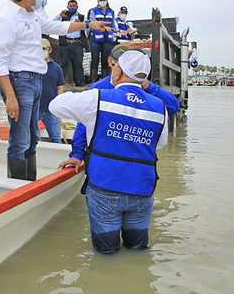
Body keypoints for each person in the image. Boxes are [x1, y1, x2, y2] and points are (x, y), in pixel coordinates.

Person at [49, 49, 168, 254]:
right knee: (138, 249)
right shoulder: (160, 106)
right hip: (142, 188)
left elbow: (55, 105)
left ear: (118, 72)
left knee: (106, 253)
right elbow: (159, 144)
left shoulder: (98, 98)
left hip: (105, 186)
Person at [0, 0, 107, 181]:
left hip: (35, 81)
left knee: (33, 136)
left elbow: (57, 27)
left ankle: (29, 183)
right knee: (20, 139)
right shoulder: (6, 19)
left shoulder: (31, 15)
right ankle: (17, 186)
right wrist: (10, 97)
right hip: (19, 82)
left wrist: (89, 25)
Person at [59, 44, 180, 176]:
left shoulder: (144, 88)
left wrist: (148, 86)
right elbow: (83, 123)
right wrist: (77, 154)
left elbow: (173, 106)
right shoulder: (98, 89)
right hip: (104, 160)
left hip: (136, 161)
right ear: (111, 62)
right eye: (121, 64)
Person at [87, 0, 119, 82]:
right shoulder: (93, 11)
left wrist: (119, 31)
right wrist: (104, 28)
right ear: (98, 1)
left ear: (107, 0)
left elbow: (113, 25)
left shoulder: (111, 12)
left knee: (105, 60)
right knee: (95, 59)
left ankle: (104, 80)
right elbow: (93, 23)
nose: (102, 1)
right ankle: (93, 81)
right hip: (95, 39)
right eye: (101, 0)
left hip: (107, 39)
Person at [55, 0, 86, 86]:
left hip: (77, 43)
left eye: (74, 6)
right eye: (70, 6)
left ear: (77, 7)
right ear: (67, 7)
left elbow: (88, 29)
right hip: (65, 43)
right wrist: (60, 15)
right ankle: (60, 84)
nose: (72, 7)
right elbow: (53, 23)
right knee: (63, 64)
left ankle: (80, 83)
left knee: (78, 64)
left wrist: (81, 24)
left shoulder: (81, 17)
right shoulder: (63, 16)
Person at [40, 38, 64, 143]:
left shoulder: (57, 68)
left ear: (50, 50)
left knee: (56, 137)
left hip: (51, 110)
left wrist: (57, 103)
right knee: (32, 137)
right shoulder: (32, 67)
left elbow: (60, 86)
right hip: (34, 108)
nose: (41, 51)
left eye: (43, 48)